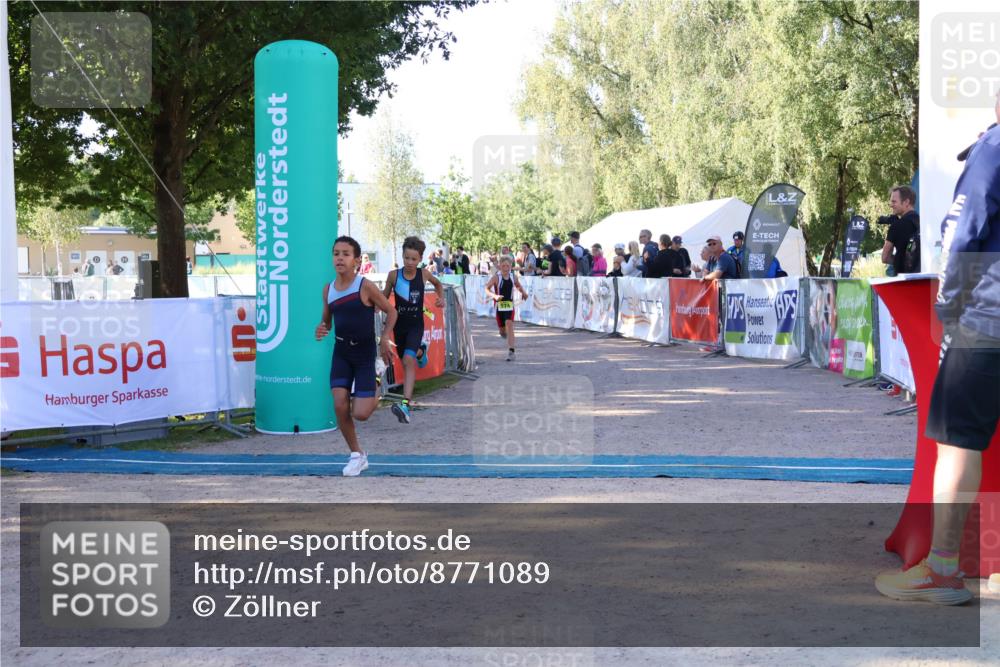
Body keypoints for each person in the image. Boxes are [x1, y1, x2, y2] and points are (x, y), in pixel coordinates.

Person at [875, 97, 1000, 606]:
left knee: (956, 442)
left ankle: (944, 570)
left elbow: (962, 236)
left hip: (987, 319)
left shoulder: (992, 148)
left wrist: (947, 308)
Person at [315, 236, 397, 477]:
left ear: (357, 260)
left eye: (345, 254)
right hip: (341, 353)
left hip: (364, 354)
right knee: (340, 405)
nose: (339, 257)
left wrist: (384, 337)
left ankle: (378, 377)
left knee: (361, 413)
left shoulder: (365, 286)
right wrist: (321, 328)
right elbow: (327, 322)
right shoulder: (328, 290)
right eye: (336, 253)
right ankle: (357, 455)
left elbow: (391, 311)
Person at [382, 236, 445, 424]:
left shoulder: (424, 274)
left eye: (414, 259)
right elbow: (384, 297)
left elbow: (438, 284)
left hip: (416, 325)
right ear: (402, 256)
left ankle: (405, 404)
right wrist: (375, 305)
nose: (409, 263)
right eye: (406, 258)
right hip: (398, 326)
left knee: (408, 360)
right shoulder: (393, 275)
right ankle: (421, 351)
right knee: (405, 358)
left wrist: (440, 298)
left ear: (420, 259)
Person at [485, 255, 528, 362]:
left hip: (509, 305)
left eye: (507, 266)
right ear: (500, 266)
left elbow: (518, 285)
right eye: (503, 266)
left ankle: (511, 351)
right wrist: (494, 296)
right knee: (503, 330)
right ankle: (502, 331)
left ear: (511, 266)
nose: (505, 268)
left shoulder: (513, 276)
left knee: (509, 324)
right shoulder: (496, 277)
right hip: (499, 307)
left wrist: (524, 293)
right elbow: (486, 288)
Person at [881, 185, 921, 275]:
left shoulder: (896, 226)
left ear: (906, 202)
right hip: (923, 279)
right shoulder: (923, 222)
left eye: (894, 202)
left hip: (903, 281)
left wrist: (901, 260)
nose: (891, 205)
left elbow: (885, 257)